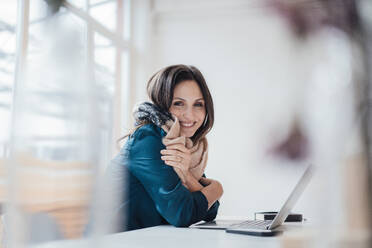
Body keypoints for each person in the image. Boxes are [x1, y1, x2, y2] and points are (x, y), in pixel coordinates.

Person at [105, 64, 223, 232]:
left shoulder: (183, 143)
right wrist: (216, 189)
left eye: (198, 104)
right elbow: (183, 213)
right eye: (178, 103)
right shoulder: (148, 140)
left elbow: (210, 211)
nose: (189, 115)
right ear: (162, 105)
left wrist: (188, 177)